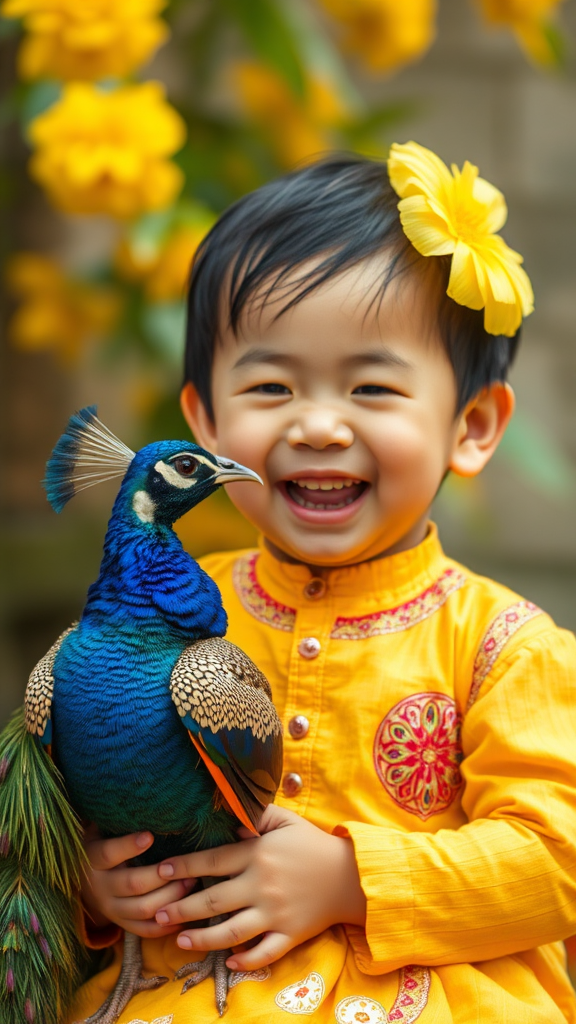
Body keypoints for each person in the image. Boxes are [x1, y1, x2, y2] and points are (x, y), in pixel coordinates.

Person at [71, 142, 576, 1024]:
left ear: (472, 424)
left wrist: (354, 881)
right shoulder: (148, 621)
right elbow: (65, 797)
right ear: (205, 423)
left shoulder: (503, 646)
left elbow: (556, 860)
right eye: (271, 385)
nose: (316, 424)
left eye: (373, 387)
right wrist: (94, 885)